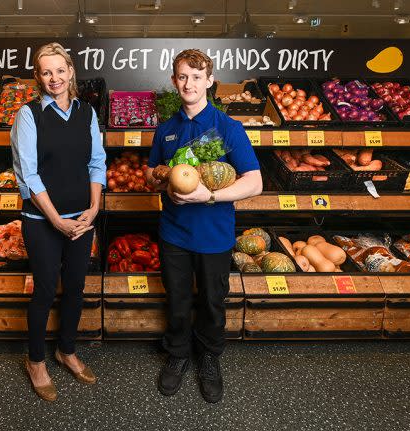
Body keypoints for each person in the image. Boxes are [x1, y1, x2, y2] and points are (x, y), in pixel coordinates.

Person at [145, 49, 263, 403]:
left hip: (214, 233)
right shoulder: (166, 130)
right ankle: (179, 353)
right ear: (174, 81)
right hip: (174, 231)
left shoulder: (228, 128)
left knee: (213, 301)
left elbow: (254, 182)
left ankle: (209, 357)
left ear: (210, 81)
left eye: (197, 77)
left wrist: (207, 197)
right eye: (182, 77)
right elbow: (151, 173)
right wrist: (161, 179)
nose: (189, 84)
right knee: (178, 299)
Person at [10, 42, 106, 402]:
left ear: (70, 73)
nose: (55, 78)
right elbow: (29, 175)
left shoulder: (87, 113)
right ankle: (36, 361)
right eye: (46, 72)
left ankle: (67, 350)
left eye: (60, 70)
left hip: (82, 220)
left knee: (77, 289)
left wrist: (93, 209)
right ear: (38, 77)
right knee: (46, 291)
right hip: (41, 221)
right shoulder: (29, 115)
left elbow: (97, 162)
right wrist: (57, 221)